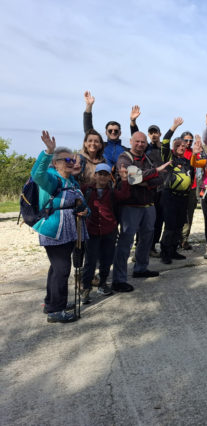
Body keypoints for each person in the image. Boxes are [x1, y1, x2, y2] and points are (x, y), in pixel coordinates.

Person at [33, 131, 89, 323]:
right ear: (55, 163)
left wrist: (85, 211)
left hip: (69, 231)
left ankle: (52, 303)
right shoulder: (51, 179)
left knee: (56, 268)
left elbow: (82, 203)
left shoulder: (71, 182)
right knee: (62, 269)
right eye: (66, 160)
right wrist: (48, 151)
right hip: (54, 231)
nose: (71, 163)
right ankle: (56, 310)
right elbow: (37, 174)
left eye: (73, 160)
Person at [111, 132, 171, 292]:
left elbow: (161, 178)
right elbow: (131, 179)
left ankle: (141, 268)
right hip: (130, 207)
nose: (140, 144)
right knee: (125, 242)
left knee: (147, 239)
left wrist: (143, 180)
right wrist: (153, 172)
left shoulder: (149, 158)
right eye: (137, 141)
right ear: (131, 141)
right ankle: (119, 279)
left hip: (149, 205)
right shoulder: (124, 158)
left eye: (143, 142)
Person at [80, 163, 130, 303]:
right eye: (100, 174)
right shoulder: (86, 190)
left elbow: (125, 195)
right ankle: (86, 288)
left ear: (109, 177)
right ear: (95, 175)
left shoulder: (112, 192)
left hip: (109, 230)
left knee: (107, 260)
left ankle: (102, 284)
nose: (102, 177)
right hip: (92, 230)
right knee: (90, 261)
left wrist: (124, 179)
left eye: (106, 174)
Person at [129, 104, 165, 256]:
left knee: (158, 220)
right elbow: (136, 138)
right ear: (149, 135)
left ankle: (152, 247)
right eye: (151, 132)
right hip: (148, 188)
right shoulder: (145, 148)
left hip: (161, 188)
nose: (154, 134)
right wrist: (133, 122)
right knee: (144, 219)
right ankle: (139, 246)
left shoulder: (164, 149)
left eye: (156, 132)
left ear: (160, 133)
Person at [159, 117, 191, 264]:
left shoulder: (186, 161)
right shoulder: (169, 157)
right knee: (170, 226)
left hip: (183, 197)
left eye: (184, 146)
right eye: (178, 145)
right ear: (174, 147)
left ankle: (173, 250)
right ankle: (165, 253)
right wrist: (174, 127)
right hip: (170, 196)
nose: (181, 148)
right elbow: (165, 141)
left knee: (179, 225)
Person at [83, 91, 126, 168]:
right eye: (110, 130)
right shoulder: (100, 147)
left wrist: (133, 121)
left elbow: (137, 140)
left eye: (116, 131)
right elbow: (89, 131)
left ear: (120, 133)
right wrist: (89, 106)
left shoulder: (126, 150)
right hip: (101, 174)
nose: (113, 132)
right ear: (106, 132)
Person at [180, 128, 201, 250]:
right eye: (186, 140)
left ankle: (184, 240)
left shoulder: (194, 152)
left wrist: (199, 145)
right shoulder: (177, 151)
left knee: (189, 215)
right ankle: (175, 239)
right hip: (178, 188)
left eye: (190, 141)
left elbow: (203, 159)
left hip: (192, 188)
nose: (188, 143)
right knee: (177, 215)